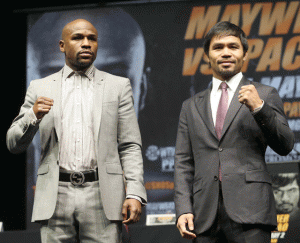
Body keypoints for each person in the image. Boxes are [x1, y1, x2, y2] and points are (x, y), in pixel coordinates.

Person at [7, 19, 147, 242]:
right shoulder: (40, 87)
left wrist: (134, 192)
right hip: (56, 194)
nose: (86, 43)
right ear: (62, 45)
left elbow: (130, 145)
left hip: (102, 194)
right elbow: (13, 143)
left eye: (92, 38)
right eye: (78, 38)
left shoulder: (118, 86)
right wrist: (33, 116)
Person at [174, 21, 294, 243]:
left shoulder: (265, 94)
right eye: (218, 47)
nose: (226, 53)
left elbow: (286, 145)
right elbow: (183, 161)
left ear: (245, 54)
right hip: (204, 214)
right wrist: (183, 209)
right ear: (207, 55)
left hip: (251, 211)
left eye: (233, 46)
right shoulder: (190, 105)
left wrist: (259, 108)